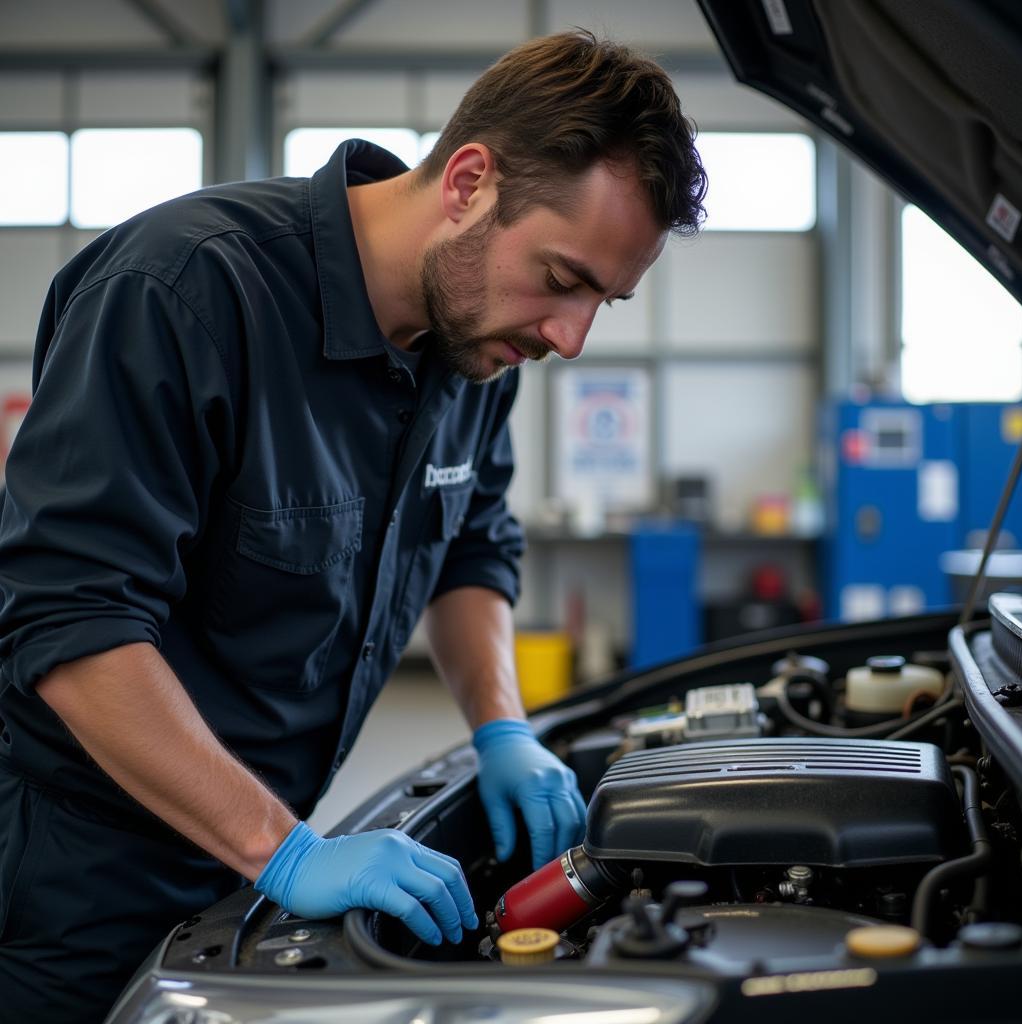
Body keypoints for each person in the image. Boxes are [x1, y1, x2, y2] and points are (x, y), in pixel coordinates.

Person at [0, 29, 707, 1022]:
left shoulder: (473, 352)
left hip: (255, 853)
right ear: (468, 181)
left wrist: (500, 723)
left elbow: (471, 540)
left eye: (604, 299)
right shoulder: (183, 293)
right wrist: (284, 850)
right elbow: (72, 626)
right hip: (76, 890)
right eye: (562, 278)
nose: (568, 337)